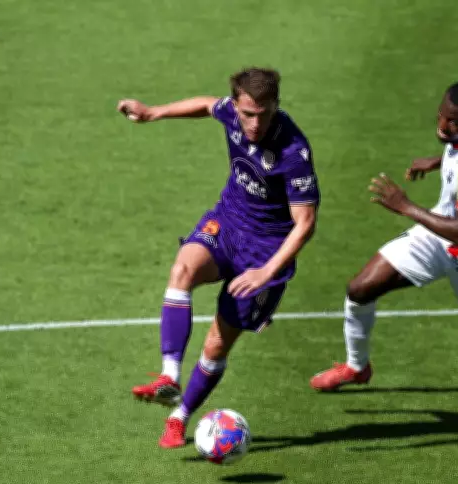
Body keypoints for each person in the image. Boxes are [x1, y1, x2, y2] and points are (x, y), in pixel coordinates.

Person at [118, 67, 320, 447]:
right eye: (247, 114)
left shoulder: (293, 152)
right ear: (238, 104)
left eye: (263, 114)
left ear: (276, 105)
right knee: (182, 269)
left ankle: (179, 418)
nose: (254, 124)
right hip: (228, 223)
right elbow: (207, 105)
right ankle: (169, 376)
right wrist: (153, 112)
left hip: (267, 251)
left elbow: (305, 223)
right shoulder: (231, 111)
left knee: (216, 344)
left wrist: (266, 272)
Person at [310, 80, 458, 392]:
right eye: (441, 115)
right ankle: (357, 366)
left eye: (453, 122)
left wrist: (405, 206)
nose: (442, 125)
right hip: (437, 234)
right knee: (360, 289)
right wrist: (437, 162)